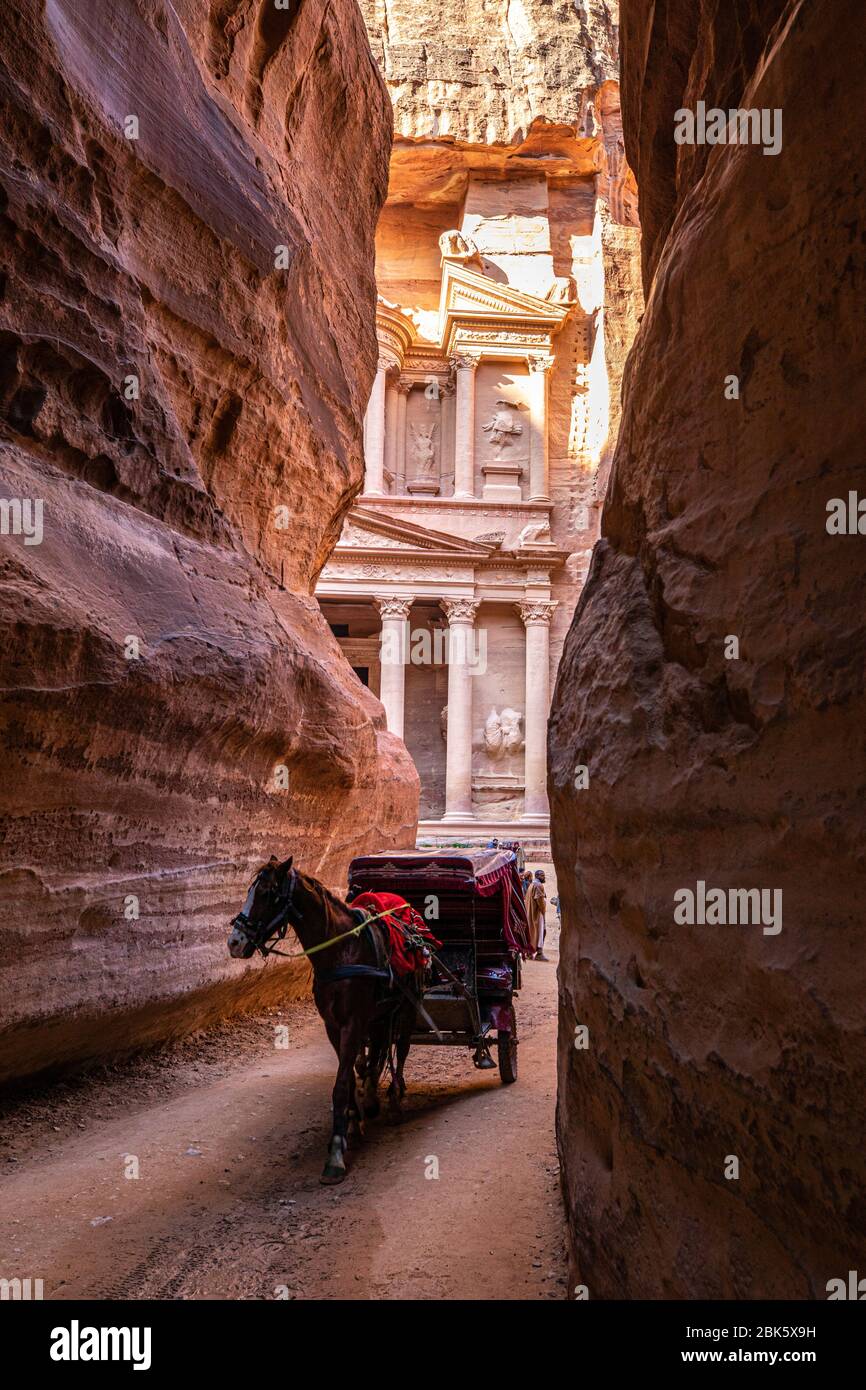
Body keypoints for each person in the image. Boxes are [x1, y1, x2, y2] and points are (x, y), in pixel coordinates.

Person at [525, 868, 547, 960]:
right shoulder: (538, 885)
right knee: (540, 932)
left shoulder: (532, 884)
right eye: (542, 875)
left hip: (531, 912)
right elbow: (540, 901)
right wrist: (543, 910)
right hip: (537, 914)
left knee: (533, 933)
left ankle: (530, 953)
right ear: (537, 876)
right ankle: (539, 953)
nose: (544, 877)